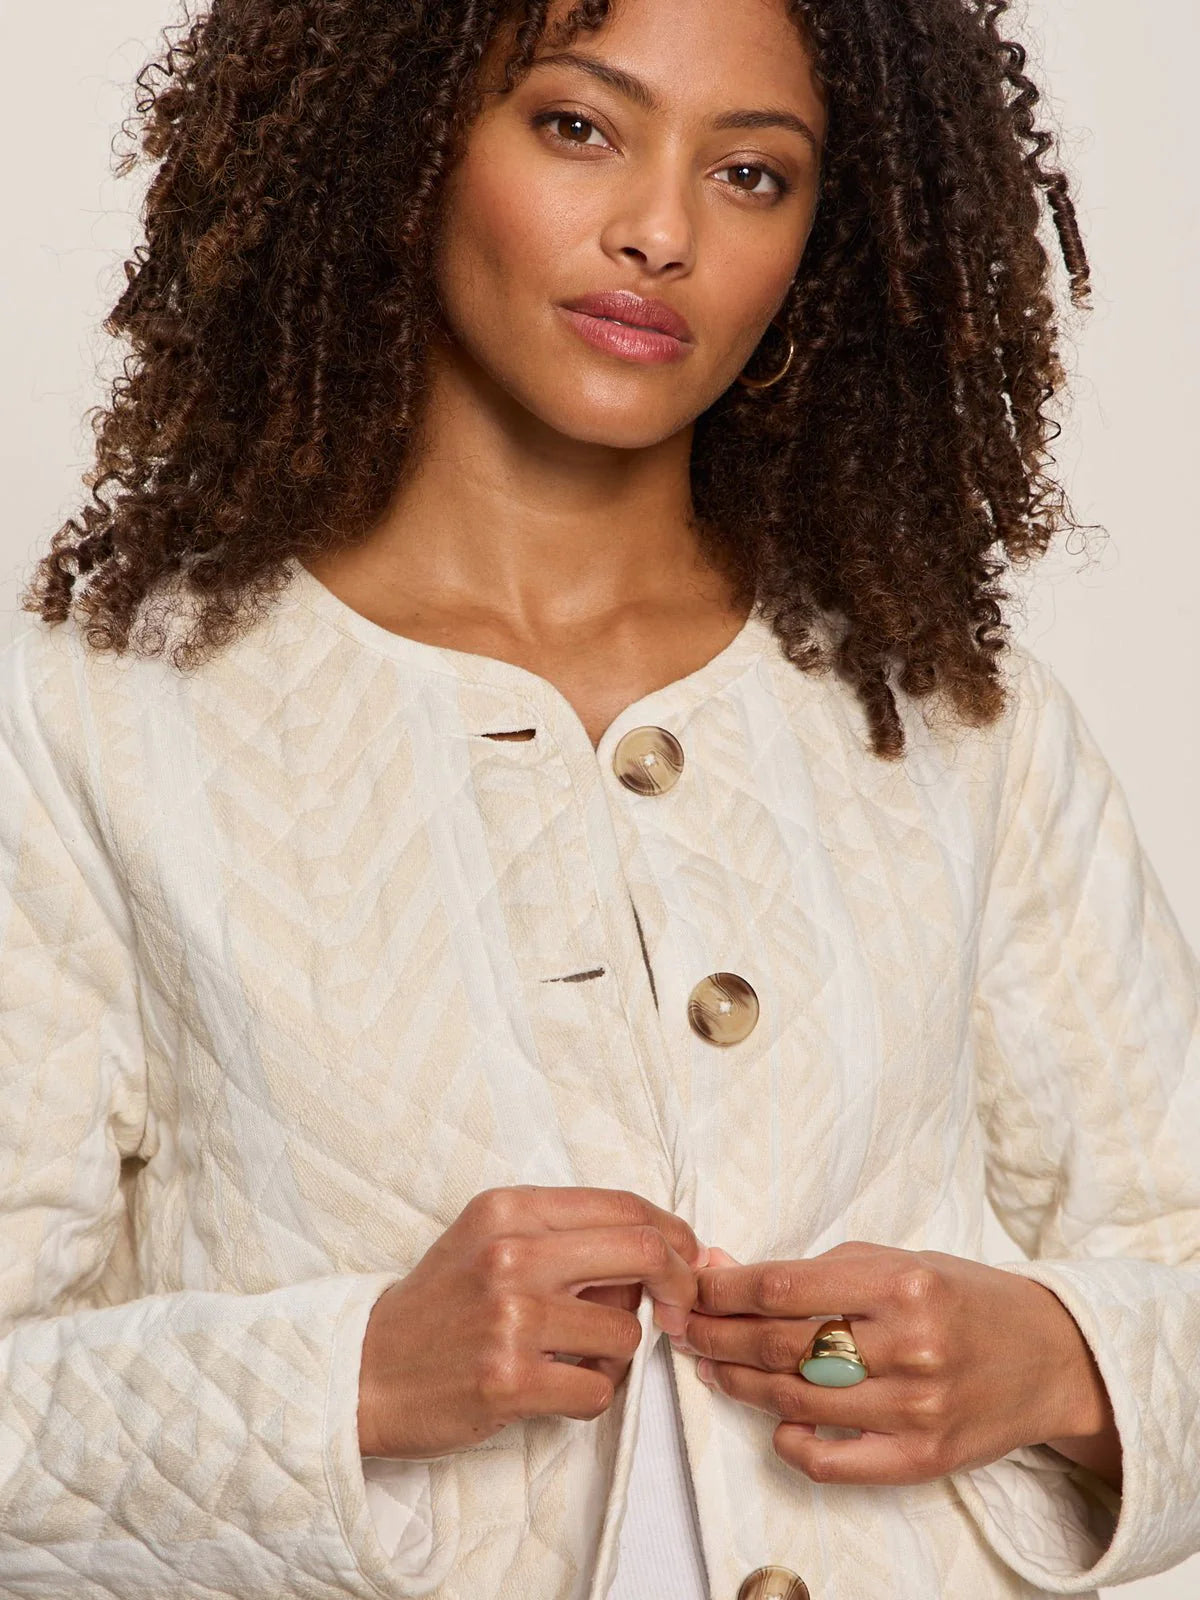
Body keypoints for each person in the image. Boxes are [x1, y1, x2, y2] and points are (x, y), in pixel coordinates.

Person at [1, 0, 1197, 1597]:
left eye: (752, 174)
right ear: (410, 142)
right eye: (578, 126)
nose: (661, 232)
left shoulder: (954, 722)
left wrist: (1058, 1362)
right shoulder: (97, 720)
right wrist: (348, 1377)